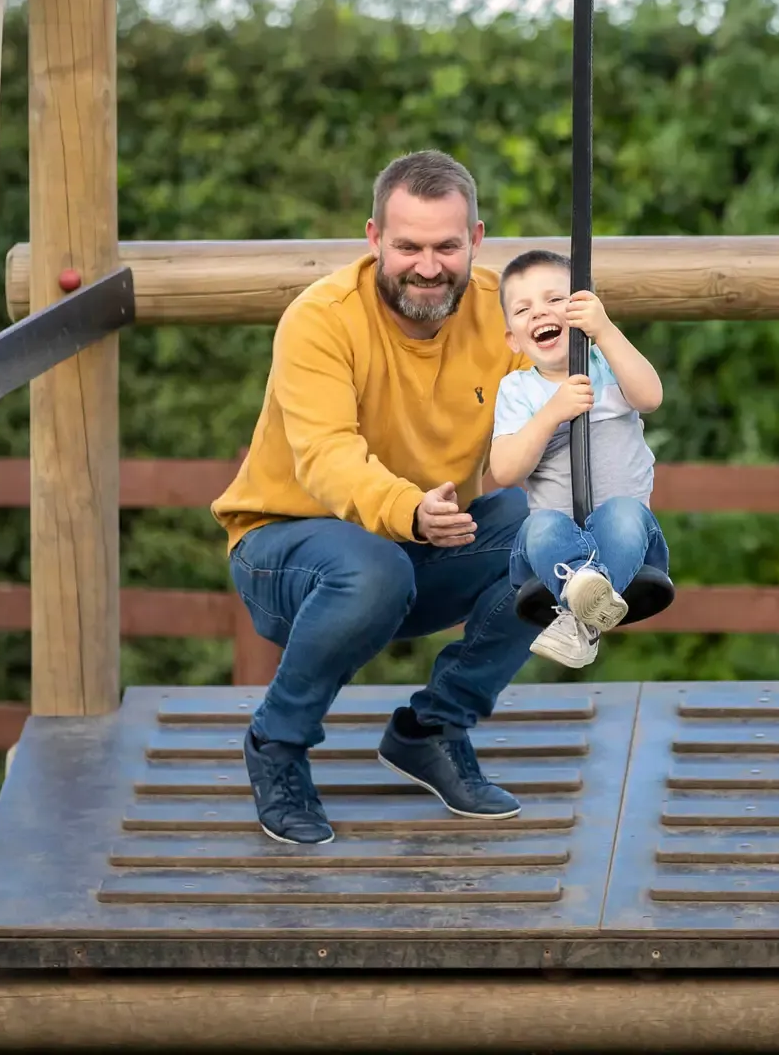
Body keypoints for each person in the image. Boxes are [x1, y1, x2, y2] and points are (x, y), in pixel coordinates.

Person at [210, 150, 542, 846]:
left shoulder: (505, 313)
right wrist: (409, 511)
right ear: (373, 240)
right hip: (287, 547)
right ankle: (278, 742)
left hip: (425, 541)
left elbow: (559, 415)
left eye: (447, 246)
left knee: (540, 536)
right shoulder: (321, 319)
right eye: (408, 247)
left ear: (477, 241)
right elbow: (328, 458)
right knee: (373, 566)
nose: (428, 266)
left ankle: (433, 729)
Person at [489, 249, 671, 669]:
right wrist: (552, 412)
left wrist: (605, 330)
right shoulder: (518, 390)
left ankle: (579, 614)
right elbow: (505, 470)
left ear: (581, 310)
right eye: (523, 308)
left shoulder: (607, 363)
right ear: (513, 339)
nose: (540, 313)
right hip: (552, 547)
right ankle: (583, 594)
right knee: (538, 526)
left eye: (555, 300)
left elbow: (650, 396)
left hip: (624, 540)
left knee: (624, 514)